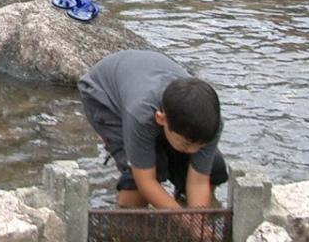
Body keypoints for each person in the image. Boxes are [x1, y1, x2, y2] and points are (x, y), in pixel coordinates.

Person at [78, 49, 228, 209]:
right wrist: (183, 218)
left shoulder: (212, 122)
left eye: (200, 146)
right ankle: (129, 218)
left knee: (214, 167)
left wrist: (198, 219)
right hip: (104, 96)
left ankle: (181, 197)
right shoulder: (140, 115)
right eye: (186, 144)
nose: (193, 151)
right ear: (161, 119)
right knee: (145, 171)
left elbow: (199, 180)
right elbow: (145, 181)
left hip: (147, 81)